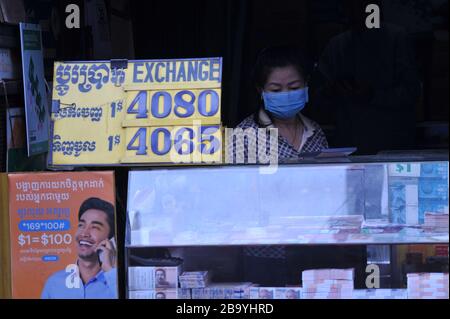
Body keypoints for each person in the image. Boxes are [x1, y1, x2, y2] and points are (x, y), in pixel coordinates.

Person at [230, 45, 367, 288]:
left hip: (317, 247)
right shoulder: (246, 134)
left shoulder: (315, 132)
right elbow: (237, 198)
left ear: (306, 87)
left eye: (293, 88)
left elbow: (331, 189)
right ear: (261, 91)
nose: (286, 94)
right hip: (268, 254)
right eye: (276, 89)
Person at [314, 0, 420, 154]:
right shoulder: (337, 45)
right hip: (349, 141)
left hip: (392, 141)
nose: (357, 11)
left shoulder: (396, 38)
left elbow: (412, 91)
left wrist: (373, 95)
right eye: (352, 7)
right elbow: (317, 96)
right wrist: (332, 90)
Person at [41, 197, 117, 299]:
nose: (84, 233)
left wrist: (110, 270)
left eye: (95, 227)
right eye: (81, 225)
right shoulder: (54, 283)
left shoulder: (116, 283)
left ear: (110, 239)